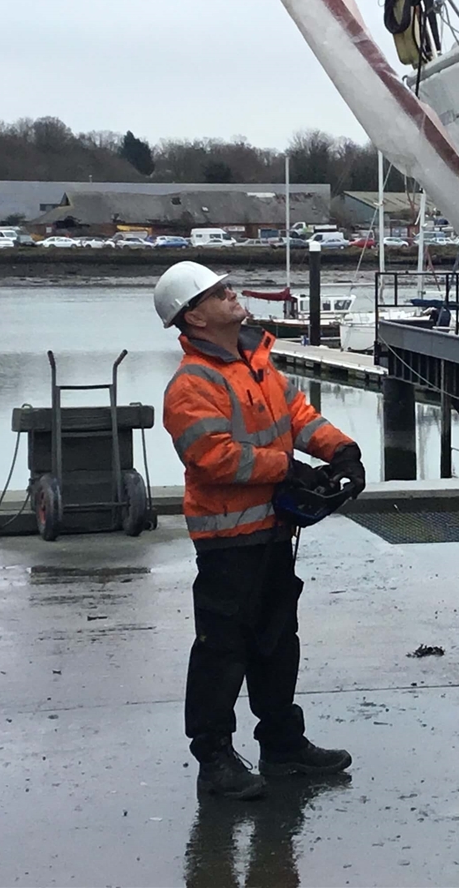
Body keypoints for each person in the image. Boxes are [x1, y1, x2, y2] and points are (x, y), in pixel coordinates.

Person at [155, 260, 366, 800]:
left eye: (226, 288)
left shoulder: (257, 365)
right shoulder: (190, 385)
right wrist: (289, 468)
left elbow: (298, 417)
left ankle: (281, 742)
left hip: (272, 531)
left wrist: (339, 449)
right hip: (228, 540)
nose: (231, 295)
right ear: (195, 317)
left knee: (277, 641)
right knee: (222, 648)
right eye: (217, 293)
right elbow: (212, 457)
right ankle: (215, 761)